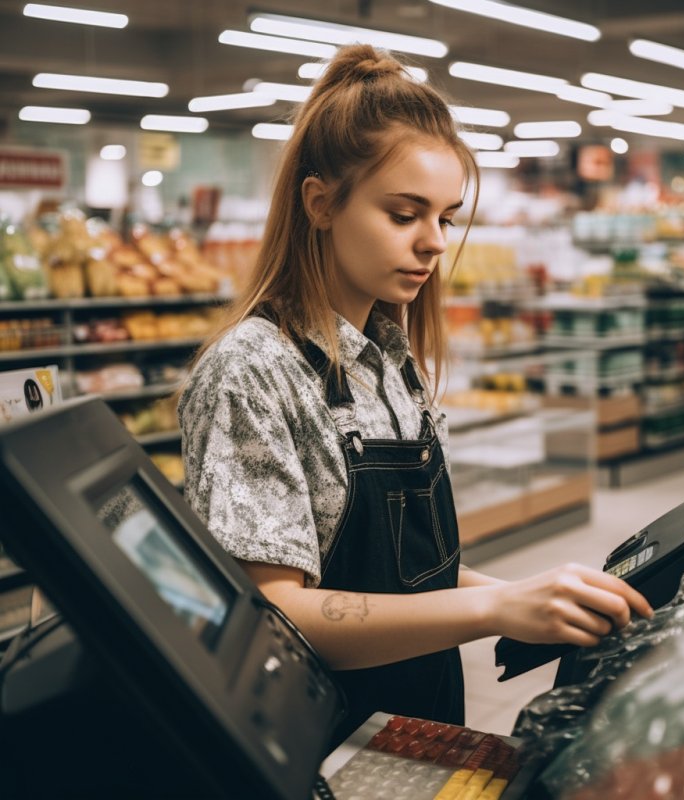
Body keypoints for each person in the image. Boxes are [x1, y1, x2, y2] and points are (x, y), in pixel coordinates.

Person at [178, 43, 653, 746]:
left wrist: (535, 597)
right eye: (405, 215)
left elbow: (408, 576)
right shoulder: (253, 370)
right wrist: (495, 610)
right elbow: (272, 614)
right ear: (320, 203)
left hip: (413, 730)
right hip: (322, 748)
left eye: (445, 218)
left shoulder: (392, 362)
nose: (433, 243)